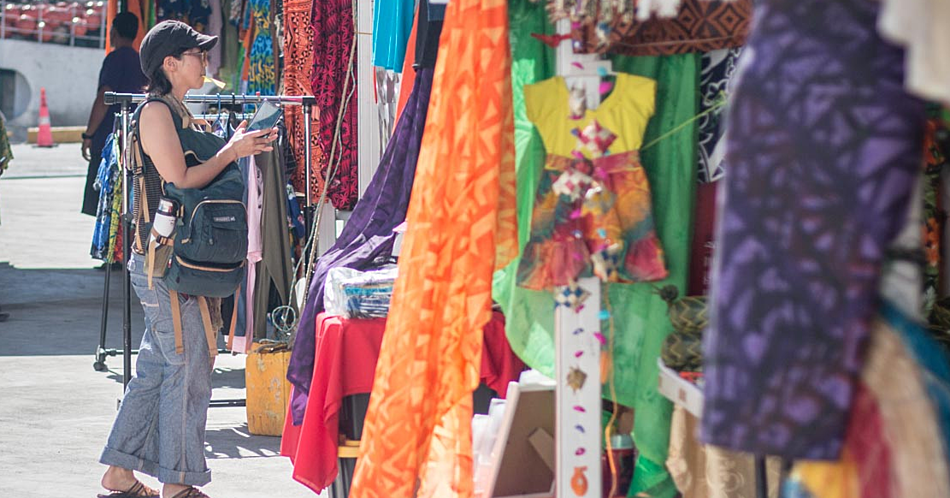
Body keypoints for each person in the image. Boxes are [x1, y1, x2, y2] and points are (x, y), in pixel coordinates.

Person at [96, 20, 277, 498]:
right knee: (189, 367)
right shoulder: (156, 112)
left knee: (159, 369)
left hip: (177, 261)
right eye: (197, 54)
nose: (205, 61)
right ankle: (178, 483)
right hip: (166, 263)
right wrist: (231, 151)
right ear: (171, 64)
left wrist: (235, 144)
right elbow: (180, 179)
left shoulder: (179, 111)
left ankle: (119, 473)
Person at [81, 12, 148, 218]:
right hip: (134, 138)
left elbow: (104, 98)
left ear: (113, 32)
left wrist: (89, 135)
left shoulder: (114, 59)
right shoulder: (141, 61)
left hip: (109, 139)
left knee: (104, 204)